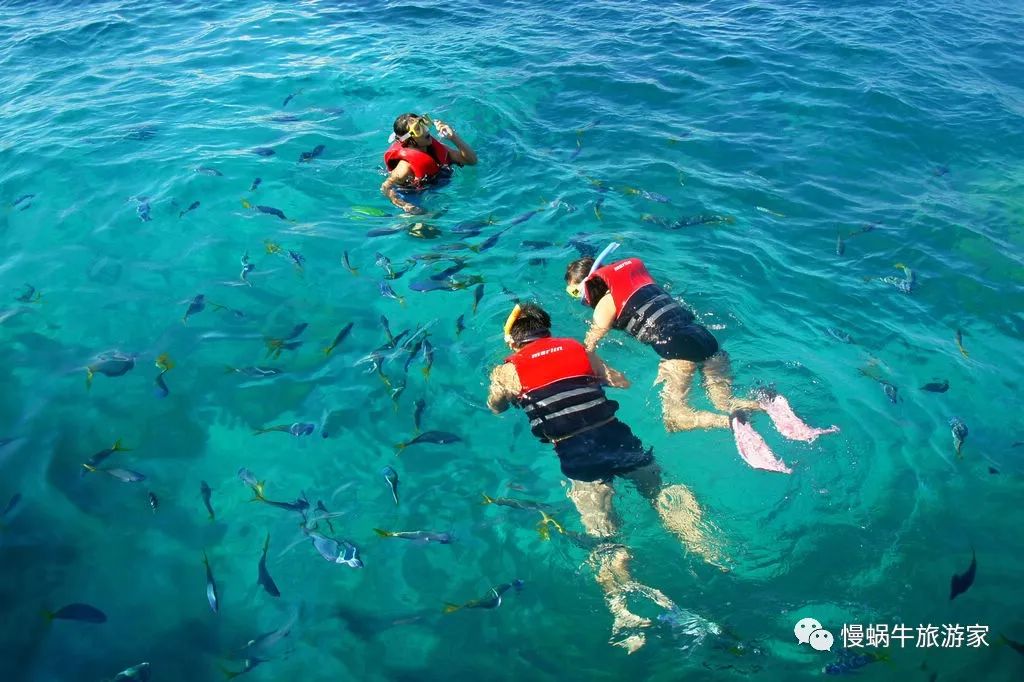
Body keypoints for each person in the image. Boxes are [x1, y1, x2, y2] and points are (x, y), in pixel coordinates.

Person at [487, 303, 724, 653]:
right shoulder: (577, 349)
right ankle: (706, 548)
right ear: (547, 330)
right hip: (617, 438)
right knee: (661, 491)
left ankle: (624, 610)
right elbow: (621, 382)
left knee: (604, 538)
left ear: (513, 341)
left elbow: (496, 406)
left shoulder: (508, 371)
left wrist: (506, 389)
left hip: (577, 455)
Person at [564, 244, 838, 473]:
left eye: (575, 292)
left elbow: (587, 350)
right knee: (724, 400)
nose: (578, 299)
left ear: (589, 285)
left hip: (675, 348)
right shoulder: (642, 284)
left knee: (675, 418)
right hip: (703, 338)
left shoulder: (603, 307)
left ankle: (731, 422)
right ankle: (765, 404)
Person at [380, 113, 477, 214]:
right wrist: (404, 205)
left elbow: (471, 161)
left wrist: (453, 137)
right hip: (411, 193)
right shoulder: (404, 166)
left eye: (423, 123)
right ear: (409, 139)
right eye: (418, 129)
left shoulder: (436, 149)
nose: (426, 130)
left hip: (432, 188)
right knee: (424, 221)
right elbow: (385, 187)